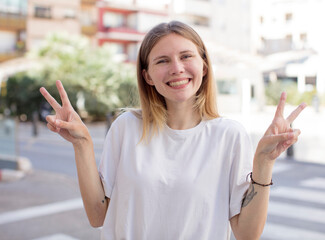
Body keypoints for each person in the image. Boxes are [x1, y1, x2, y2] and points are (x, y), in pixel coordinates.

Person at [40, 21, 306, 240]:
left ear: (203, 64)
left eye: (186, 56)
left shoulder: (230, 135)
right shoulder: (127, 128)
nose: (177, 68)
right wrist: (82, 143)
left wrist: (264, 163)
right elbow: (98, 217)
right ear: (147, 76)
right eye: (162, 61)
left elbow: (247, 234)